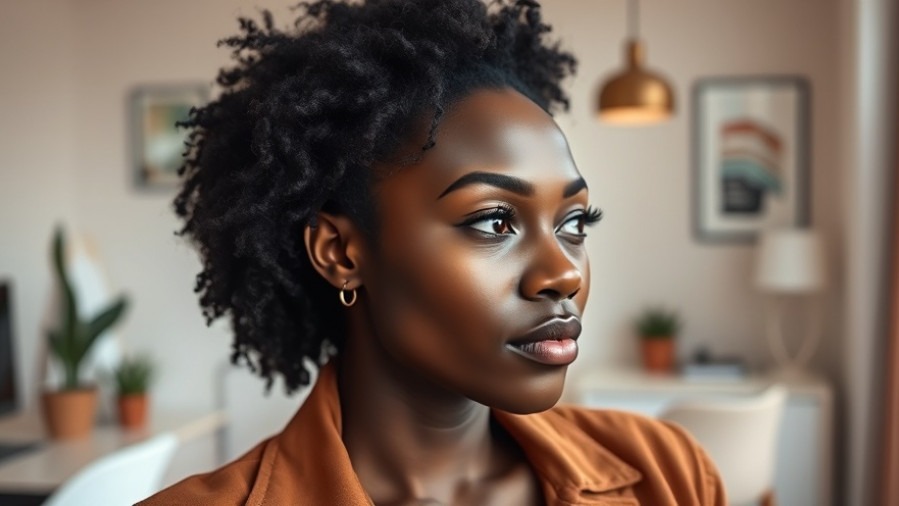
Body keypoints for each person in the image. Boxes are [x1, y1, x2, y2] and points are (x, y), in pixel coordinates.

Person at [141, 0, 726, 504]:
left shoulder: (668, 476)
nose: (564, 273)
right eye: (495, 221)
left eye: (575, 222)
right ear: (341, 252)